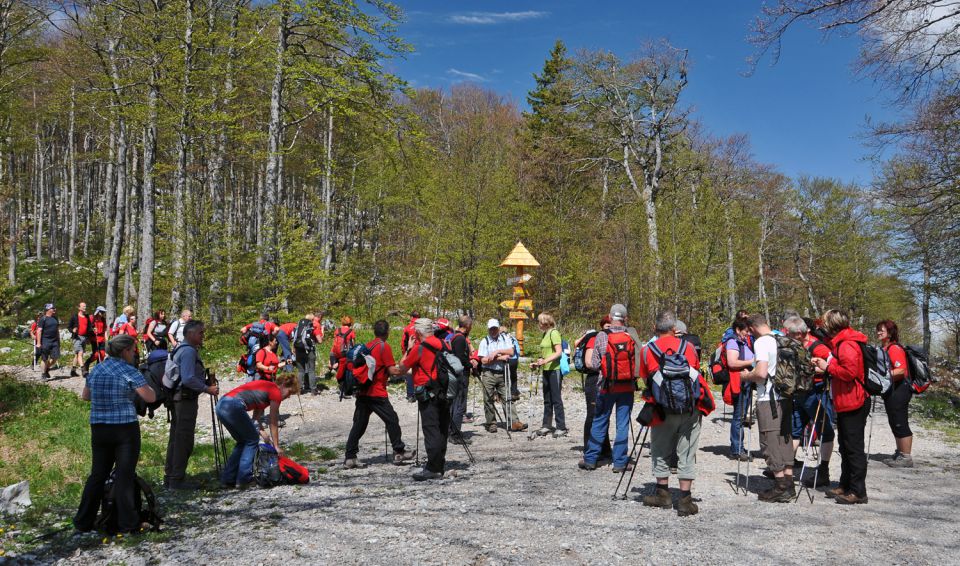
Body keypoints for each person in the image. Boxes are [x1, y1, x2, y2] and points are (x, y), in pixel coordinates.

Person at [74, 335, 156, 533]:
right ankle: (128, 523)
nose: (134, 353)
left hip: (99, 427)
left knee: (98, 474)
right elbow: (150, 397)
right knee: (124, 475)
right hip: (124, 428)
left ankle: (83, 521)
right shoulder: (129, 371)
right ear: (125, 351)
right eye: (133, 350)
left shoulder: (97, 369)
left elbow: (86, 396)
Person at [638, 310, 705, 516]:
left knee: (660, 449)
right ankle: (685, 500)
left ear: (654, 328)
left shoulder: (647, 350)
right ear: (675, 329)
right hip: (689, 408)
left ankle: (662, 495)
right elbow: (695, 374)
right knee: (687, 451)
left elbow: (645, 378)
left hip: (661, 409)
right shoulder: (690, 348)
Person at [812, 309, 870, 504]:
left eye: (825, 322)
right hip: (847, 400)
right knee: (845, 446)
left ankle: (858, 491)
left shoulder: (847, 344)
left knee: (853, 448)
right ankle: (846, 485)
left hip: (854, 400)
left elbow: (849, 372)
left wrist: (827, 367)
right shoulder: (843, 342)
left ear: (831, 324)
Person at [343, 320, 417, 468]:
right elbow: (393, 371)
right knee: (392, 419)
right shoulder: (384, 347)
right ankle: (399, 451)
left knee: (359, 424)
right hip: (376, 392)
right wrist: (409, 353)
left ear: (374, 331)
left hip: (363, 390)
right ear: (387, 332)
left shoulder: (369, 345)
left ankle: (350, 457)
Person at [739, 313, 795, 503]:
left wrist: (746, 376)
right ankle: (789, 481)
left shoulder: (762, 342)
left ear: (753, 328)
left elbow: (761, 373)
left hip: (768, 398)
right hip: (787, 397)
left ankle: (780, 486)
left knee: (769, 440)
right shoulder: (783, 339)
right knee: (784, 439)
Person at [580, 304, 640, 473]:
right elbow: (638, 360)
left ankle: (591, 459)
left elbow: (595, 363)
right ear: (625, 318)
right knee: (622, 423)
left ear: (610, 316)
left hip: (605, 385)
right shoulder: (631, 335)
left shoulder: (601, 335)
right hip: (626, 386)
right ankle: (619, 462)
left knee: (599, 421)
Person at [216, 373, 299, 489]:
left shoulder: (266, 390)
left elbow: (255, 419)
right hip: (232, 405)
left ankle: (228, 479)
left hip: (221, 405)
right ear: (284, 385)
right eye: (290, 392)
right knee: (252, 440)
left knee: (243, 441)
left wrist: (262, 432)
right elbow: (273, 421)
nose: (288, 396)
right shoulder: (275, 391)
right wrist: (276, 446)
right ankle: (244, 479)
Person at [163, 320, 219, 490]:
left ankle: (171, 476)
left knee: (176, 438)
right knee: (183, 440)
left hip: (179, 399)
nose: (203, 336)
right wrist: (207, 388)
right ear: (190, 334)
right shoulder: (188, 351)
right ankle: (177, 480)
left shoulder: (182, 349)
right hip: (184, 400)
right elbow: (187, 378)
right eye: (200, 333)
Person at [396, 318, 450, 481]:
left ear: (418, 333)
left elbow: (402, 368)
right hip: (445, 391)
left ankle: (433, 469)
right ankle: (439, 463)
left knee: (430, 429)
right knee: (442, 429)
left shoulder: (419, 348)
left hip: (427, 392)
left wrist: (409, 349)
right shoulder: (444, 344)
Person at [793, 317, 836, 487]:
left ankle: (823, 470)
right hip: (799, 392)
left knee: (825, 431)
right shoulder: (794, 344)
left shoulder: (819, 347)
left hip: (817, 392)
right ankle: (785, 469)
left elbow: (831, 368)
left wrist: (812, 368)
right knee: (794, 430)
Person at [477, 319, 526, 433]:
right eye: (491, 329)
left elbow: (511, 352)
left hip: (502, 372)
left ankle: (514, 422)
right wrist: (499, 357)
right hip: (488, 373)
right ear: (488, 329)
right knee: (488, 398)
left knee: (507, 397)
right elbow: (483, 360)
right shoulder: (484, 341)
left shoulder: (505, 338)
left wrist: (496, 352)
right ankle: (491, 423)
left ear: (498, 328)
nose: (493, 331)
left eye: (495, 328)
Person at [575, 316, 613, 462]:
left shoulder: (610, 338)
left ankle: (605, 450)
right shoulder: (595, 338)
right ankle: (589, 449)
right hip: (593, 380)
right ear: (603, 326)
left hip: (604, 379)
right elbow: (589, 362)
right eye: (608, 326)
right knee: (593, 415)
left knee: (603, 416)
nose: (610, 328)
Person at [877, 319, 914, 468]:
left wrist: (882, 377)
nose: (878, 332)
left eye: (882, 330)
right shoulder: (885, 348)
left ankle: (906, 457)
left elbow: (901, 370)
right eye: (878, 329)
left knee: (900, 421)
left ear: (890, 333)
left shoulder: (894, 349)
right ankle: (900, 453)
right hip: (892, 389)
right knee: (894, 421)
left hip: (900, 389)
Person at [531, 313, 567, 438]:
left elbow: (558, 352)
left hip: (555, 369)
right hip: (546, 370)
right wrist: (538, 363)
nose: (539, 324)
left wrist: (545, 361)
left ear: (545, 322)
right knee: (547, 399)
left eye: (540, 322)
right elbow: (546, 354)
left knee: (556, 398)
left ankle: (561, 426)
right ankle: (546, 425)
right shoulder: (545, 334)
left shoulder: (554, 333)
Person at [725, 319, 755, 460]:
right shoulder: (733, 342)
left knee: (741, 416)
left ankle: (739, 447)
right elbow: (732, 362)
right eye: (746, 331)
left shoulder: (743, 342)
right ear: (738, 330)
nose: (748, 334)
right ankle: (736, 450)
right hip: (739, 383)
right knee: (738, 416)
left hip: (745, 382)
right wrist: (753, 362)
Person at [448, 316, 478, 442]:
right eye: (470, 326)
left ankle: (451, 431)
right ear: (467, 326)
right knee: (459, 405)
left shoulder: (455, 336)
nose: (471, 328)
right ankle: (455, 434)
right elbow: (460, 359)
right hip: (460, 375)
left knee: (455, 404)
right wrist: (471, 364)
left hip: (455, 374)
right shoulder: (460, 339)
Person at [35, 303, 60, 380]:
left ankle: (46, 369)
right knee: (44, 358)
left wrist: (59, 341)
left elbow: (57, 330)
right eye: (53, 308)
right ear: (48, 310)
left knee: (55, 358)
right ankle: (43, 374)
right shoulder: (43, 319)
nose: (54, 309)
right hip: (45, 341)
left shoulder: (55, 318)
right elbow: (39, 331)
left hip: (54, 341)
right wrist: (38, 343)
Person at [329, 316, 357, 382]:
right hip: (344, 352)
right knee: (350, 355)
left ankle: (332, 365)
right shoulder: (351, 331)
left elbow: (335, 342)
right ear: (350, 323)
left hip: (335, 351)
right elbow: (353, 344)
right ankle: (337, 366)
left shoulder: (337, 330)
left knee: (334, 353)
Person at [68, 302, 92, 377]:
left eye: (85, 306)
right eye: (83, 306)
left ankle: (73, 371)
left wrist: (88, 338)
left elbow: (89, 328)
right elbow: (69, 327)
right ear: (79, 308)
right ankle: (83, 370)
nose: (85, 308)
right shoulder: (74, 317)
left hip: (84, 337)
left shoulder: (87, 317)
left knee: (77, 355)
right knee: (80, 353)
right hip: (77, 337)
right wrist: (73, 330)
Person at [83, 306, 109, 376]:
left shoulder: (103, 319)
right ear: (98, 311)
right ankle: (86, 364)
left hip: (102, 338)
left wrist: (106, 339)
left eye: (103, 312)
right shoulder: (92, 318)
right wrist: (92, 331)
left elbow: (105, 329)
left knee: (102, 354)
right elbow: (88, 328)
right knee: (96, 354)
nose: (103, 313)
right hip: (94, 338)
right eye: (101, 312)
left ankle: (98, 370)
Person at [400, 311, 420, 402]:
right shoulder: (422, 327)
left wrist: (405, 353)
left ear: (411, 317)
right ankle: (420, 393)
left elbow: (403, 342)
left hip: (411, 350)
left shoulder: (407, 328)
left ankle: (410, 395)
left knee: (409, 372)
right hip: (422, 351)